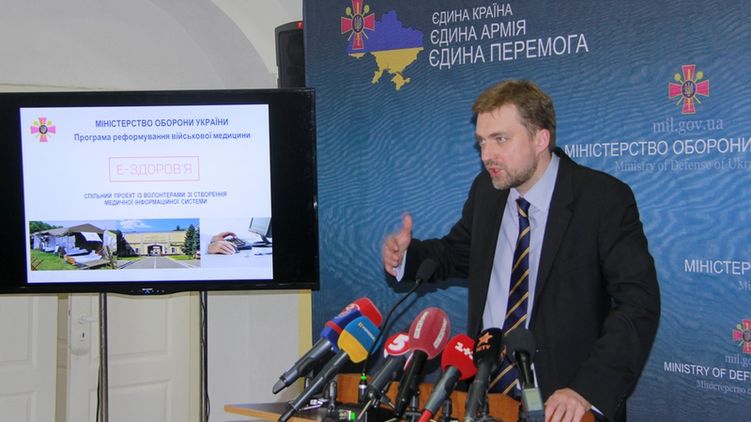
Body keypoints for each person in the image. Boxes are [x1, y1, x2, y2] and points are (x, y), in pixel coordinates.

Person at [382, 80, 660, 422]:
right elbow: (457, 252)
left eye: (500, 139)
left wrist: (587, 390)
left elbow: (638, 303)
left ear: (540, 139)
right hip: (483, 399)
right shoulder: (487, 191)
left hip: (565, 403)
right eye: (482, 142)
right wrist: (407, 257)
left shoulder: (602, 199)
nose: (486, 155)